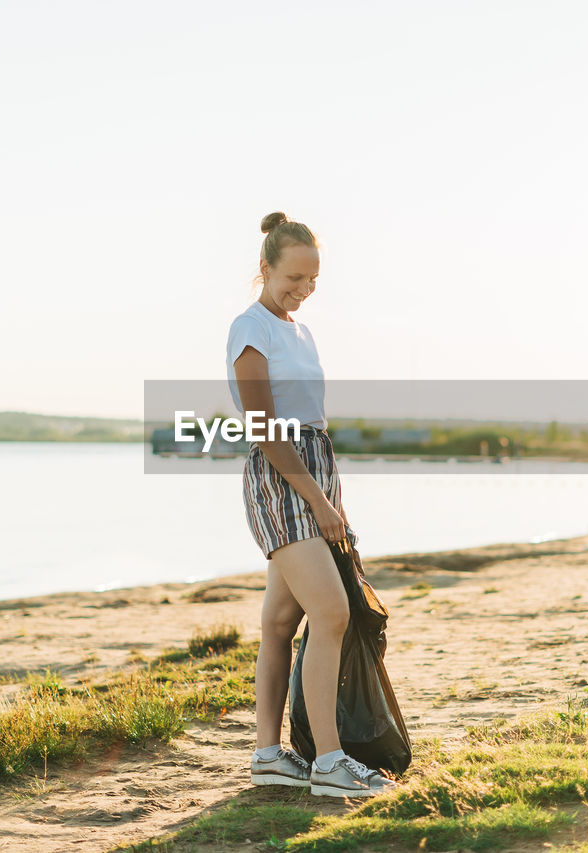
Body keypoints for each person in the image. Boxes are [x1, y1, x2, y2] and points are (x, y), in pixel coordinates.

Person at [225, 211, 397, 798]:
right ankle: (329, 761)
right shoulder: (250, 329)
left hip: (316, 465)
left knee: (279, 623)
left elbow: (311, 422)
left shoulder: (299, 330)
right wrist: (319, 501)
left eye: (313, 280)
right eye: (294, 278)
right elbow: (263, 429)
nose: (303, 290)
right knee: (331, 614)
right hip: (282, 476)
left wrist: (329, 492)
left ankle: (268, 755)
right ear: (266, 267)